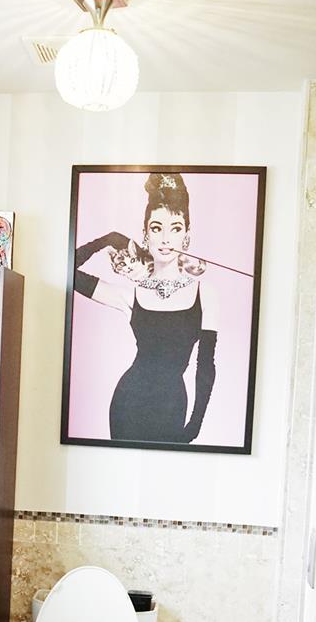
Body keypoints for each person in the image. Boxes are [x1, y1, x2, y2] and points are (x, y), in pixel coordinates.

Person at [74, 172, 218, 444]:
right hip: (128, 402)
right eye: (156, 228)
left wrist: (196, 422)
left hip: (172, 405)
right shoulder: (132, 294)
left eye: (175, 228)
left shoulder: (204, 293)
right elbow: (69, 271)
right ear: (145, 235)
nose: (165, 239)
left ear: (186, 237)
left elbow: (206, 364)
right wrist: (108, 239)